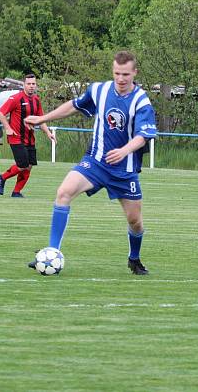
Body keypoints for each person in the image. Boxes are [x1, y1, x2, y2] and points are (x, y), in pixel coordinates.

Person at [24, 51, 157, 275]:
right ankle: (52, 252)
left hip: (124, 171)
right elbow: (74, 105)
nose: (121, 78)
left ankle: (134, 258)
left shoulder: (141, 101)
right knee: (64, 192)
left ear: (135, 72)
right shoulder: (99, 90)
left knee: (135, 221)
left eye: (126, 74)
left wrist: (124, 151)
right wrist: (43, 118)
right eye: (117, 73)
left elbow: (143, 136)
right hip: (95, 163)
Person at [0, 74, 55, 198]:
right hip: (16, 137)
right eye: (29, 84)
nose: (31, 86)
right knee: (22, 165)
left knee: (29, 166)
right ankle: (2, 177)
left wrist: (48, 133)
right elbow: (0, 112)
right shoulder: (16, 98)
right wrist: (8, 128)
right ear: (24, 85)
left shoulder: (36, 100)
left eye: (33, 84)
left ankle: (16, 192)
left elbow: (41, 119)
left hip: (30, 138)